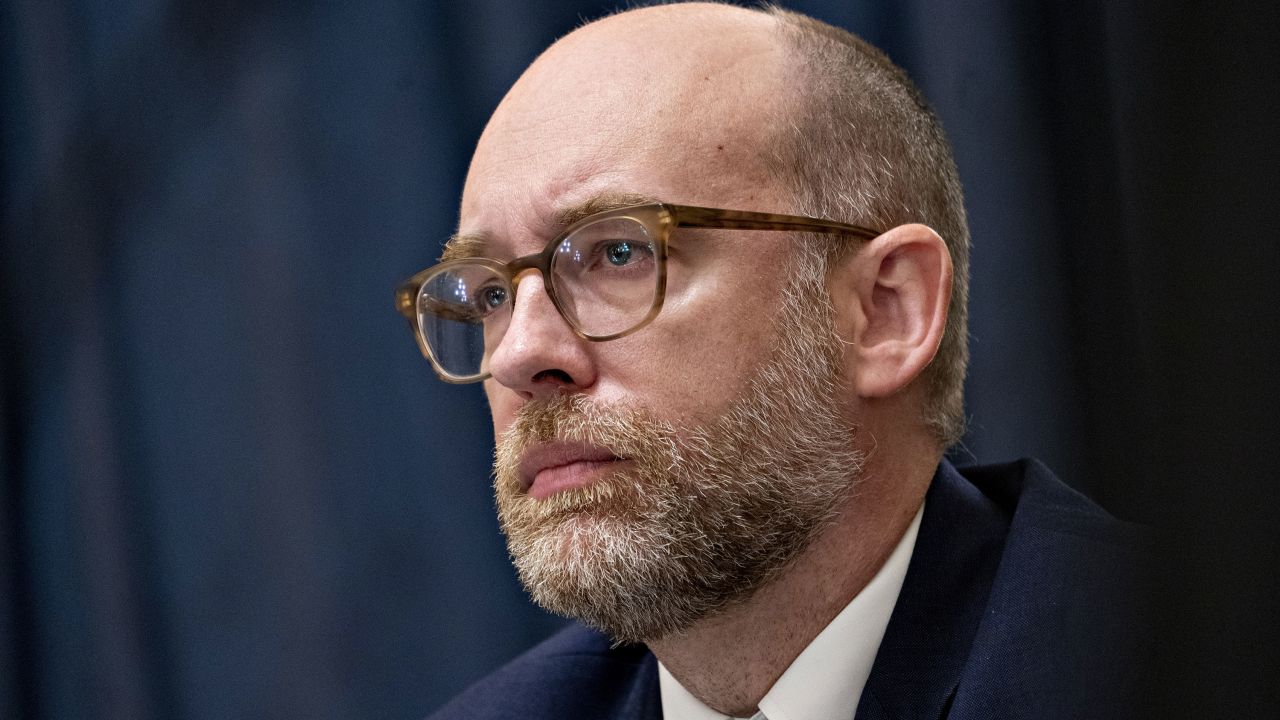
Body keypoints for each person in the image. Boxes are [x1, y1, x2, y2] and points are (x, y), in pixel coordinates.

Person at [397, 3, 1150, 718]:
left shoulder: (1169, 673)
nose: (522, 354)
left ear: (887, 310)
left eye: (618, 253)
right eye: (489, 295)